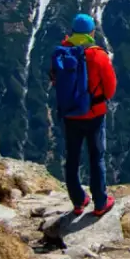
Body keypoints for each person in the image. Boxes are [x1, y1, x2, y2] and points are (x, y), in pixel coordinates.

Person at [50, 13, 117, 216]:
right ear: (91, 33)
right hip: (95, 115)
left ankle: (78, 202)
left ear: (72, 31)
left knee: (72, 158)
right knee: (96, 158)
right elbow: (110, 88)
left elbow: (55, 80)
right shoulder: (98, 55)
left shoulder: (62, 54)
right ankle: (100, 203)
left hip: (70, 115)